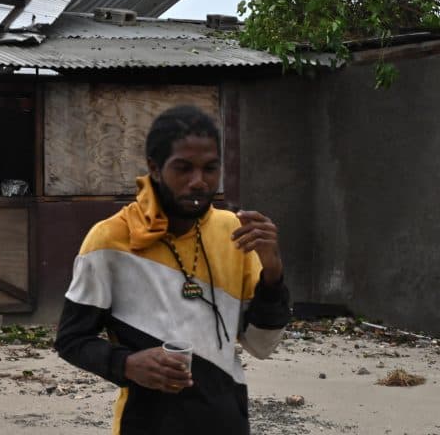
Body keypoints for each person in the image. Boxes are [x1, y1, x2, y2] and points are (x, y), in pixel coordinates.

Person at [54, 105, 290, 434]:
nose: (199, 182)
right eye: (183, 168)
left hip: (227, 423)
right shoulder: (110, 241)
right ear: (154, 168)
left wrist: (273, 271)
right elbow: (71, 339)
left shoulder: (233, 233)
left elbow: (262, 345)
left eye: (210, 169)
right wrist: (127, 364)